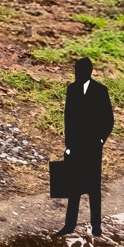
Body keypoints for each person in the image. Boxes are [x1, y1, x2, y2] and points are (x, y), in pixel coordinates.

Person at [63, 56, 114, 239]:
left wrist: (100, 140)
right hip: (76, 146)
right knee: (73, 187)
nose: (76, 73)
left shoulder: (100, 91)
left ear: (88, 71)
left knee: (93, 187)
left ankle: (96, 226)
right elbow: (68, 119)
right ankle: (69, 226)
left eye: (79, 70)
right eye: (75, 70)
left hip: (92, 146)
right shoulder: (72, 89)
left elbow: (109, 119)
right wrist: (68, 145)